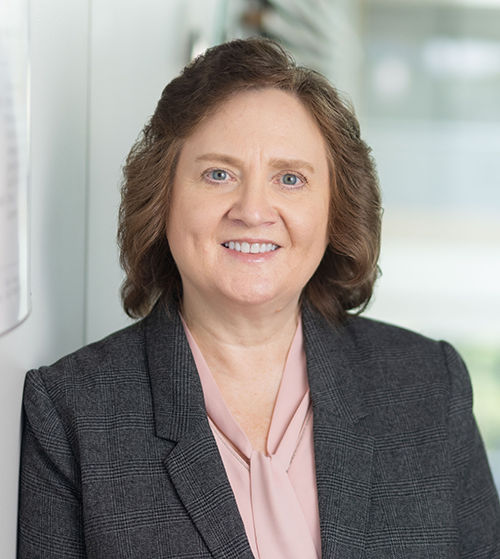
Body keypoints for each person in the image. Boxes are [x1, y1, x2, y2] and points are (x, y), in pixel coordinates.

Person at [18, 37, 500, 559]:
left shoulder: (429, 385)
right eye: (218, 174)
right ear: (162, 198)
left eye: (290, 179)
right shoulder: (72, 413)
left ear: (335, 211)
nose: (253, 210)